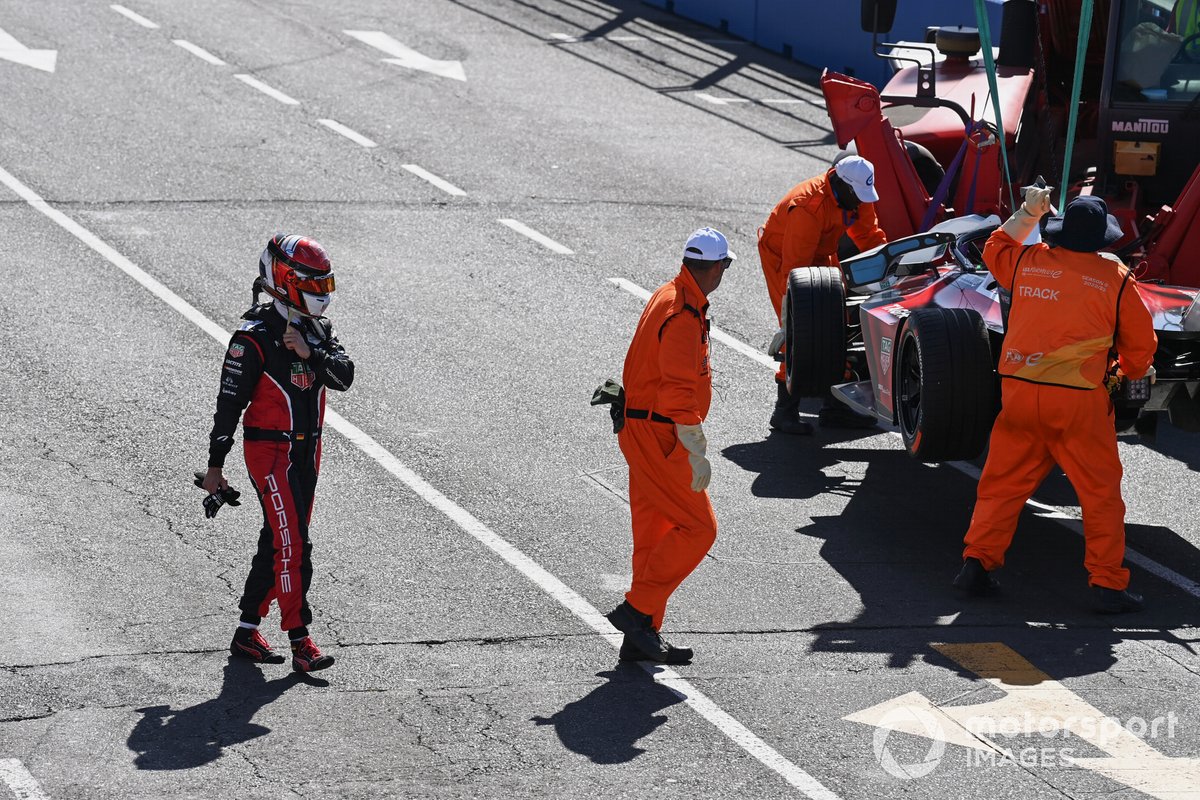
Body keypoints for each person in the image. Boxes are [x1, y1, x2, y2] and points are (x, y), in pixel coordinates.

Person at [953, 192, 1157, 613]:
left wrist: (1029, 211)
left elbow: (995, 246)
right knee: (1099, 496)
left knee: (1001, 486)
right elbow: (1141, 346)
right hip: (1079, 401)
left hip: (1020, 393)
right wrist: (1129, 373)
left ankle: (976, 564)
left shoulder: (1029, 262)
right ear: (1103, 238)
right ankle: (1106, 585)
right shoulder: (1115, 277)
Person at [201, 233, 355, 671]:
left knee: (277, 539)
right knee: (294, 545)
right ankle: (301, 640)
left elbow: (343, 377)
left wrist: (312, 350)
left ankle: (247, 631)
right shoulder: (251, 337)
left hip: (310, 452)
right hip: (270, 453)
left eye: (326, 286)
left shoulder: (319, 331)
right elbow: (228, 405)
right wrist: (216, 467)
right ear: (286, 281)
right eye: (314, 285)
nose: (322, 295)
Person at [604, 227, 731, 663]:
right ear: (715, 267)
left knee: (654, 532)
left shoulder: (670, 294)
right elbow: (679, 391)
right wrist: (695, 448)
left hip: (644, 430)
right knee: (700, 527)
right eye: (726, 267)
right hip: (660, 435)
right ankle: (637, 609)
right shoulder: (683, 315)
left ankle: (641, 636)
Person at [758, 155, 888, 434]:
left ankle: (834, 407)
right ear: (842, 186)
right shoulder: (808, 207)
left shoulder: (856, 194)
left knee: (836, 323)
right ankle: (784, 411)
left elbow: (869, 237)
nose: (862, 202)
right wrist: (791, 312)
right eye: (859, 196)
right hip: (784, 258)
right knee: (799, 328)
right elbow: (794, 274)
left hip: (821, 252)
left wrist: (890, 267)